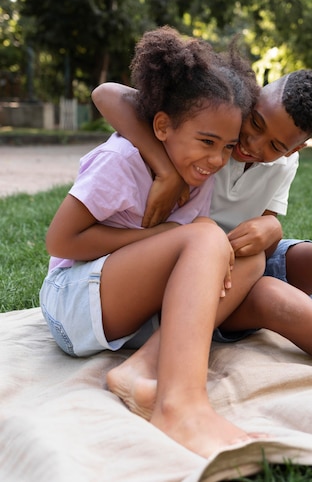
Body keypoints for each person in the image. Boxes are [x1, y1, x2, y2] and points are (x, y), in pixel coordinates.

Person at [92, 69, 312, 417]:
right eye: (256, 123)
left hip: (241, 258)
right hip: (188, 272)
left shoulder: (283, 163)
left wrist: (271, 228)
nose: (254, 146)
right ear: (253, 97)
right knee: (275, 299)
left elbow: (265, 221)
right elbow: (107, 94)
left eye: (277, 146)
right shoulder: (211, 128)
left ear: (297, 148)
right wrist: (166, 171)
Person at [40, 26, 268, 459]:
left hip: (126, 311)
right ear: (162, 125)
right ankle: (180, 406)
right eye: (207, 142)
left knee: (249, 259)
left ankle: (139, 370)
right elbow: (60, 240)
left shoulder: (197, 172)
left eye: (228, 146)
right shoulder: (121, 160)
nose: (218, 160)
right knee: (204, 236)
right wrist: (155, 235)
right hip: (72, 302)